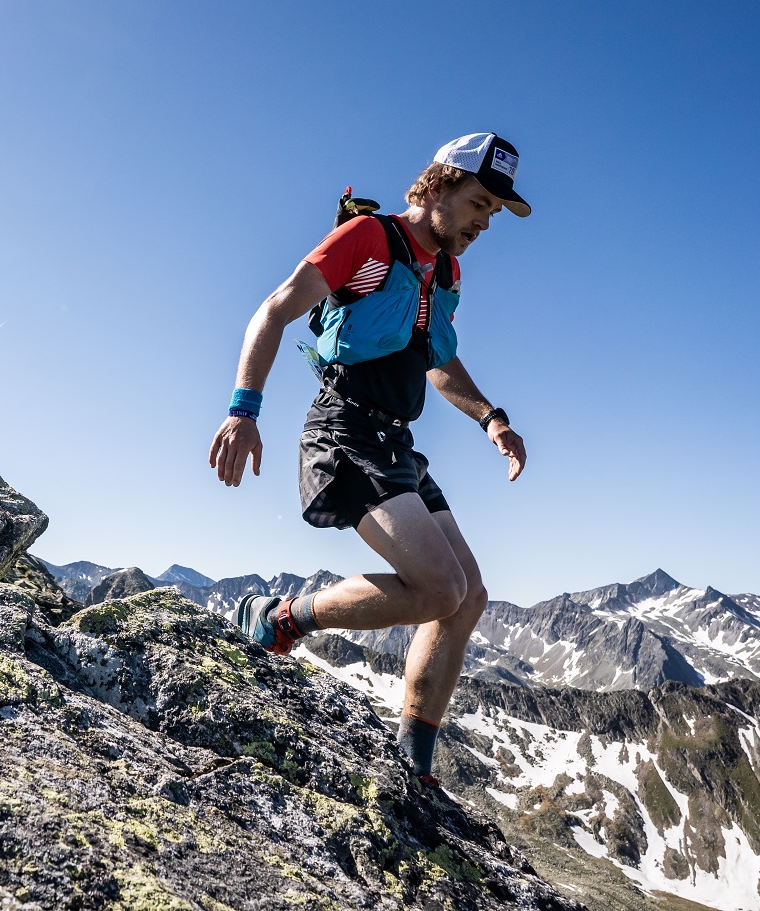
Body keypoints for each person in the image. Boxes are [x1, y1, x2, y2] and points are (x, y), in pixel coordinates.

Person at [207, 132, 531, 785]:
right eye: (478, 203)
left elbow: (436, 359)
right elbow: (273, 310)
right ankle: (280, 619)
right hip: (346, 429)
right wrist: (244, 410)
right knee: (439, 587)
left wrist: (491, 417)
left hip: (396, 445)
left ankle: (413, 762)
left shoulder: (446, 272)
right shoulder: (368, 241)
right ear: (437, 186)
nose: (484, 222)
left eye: (493, 212)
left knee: (467, 599)